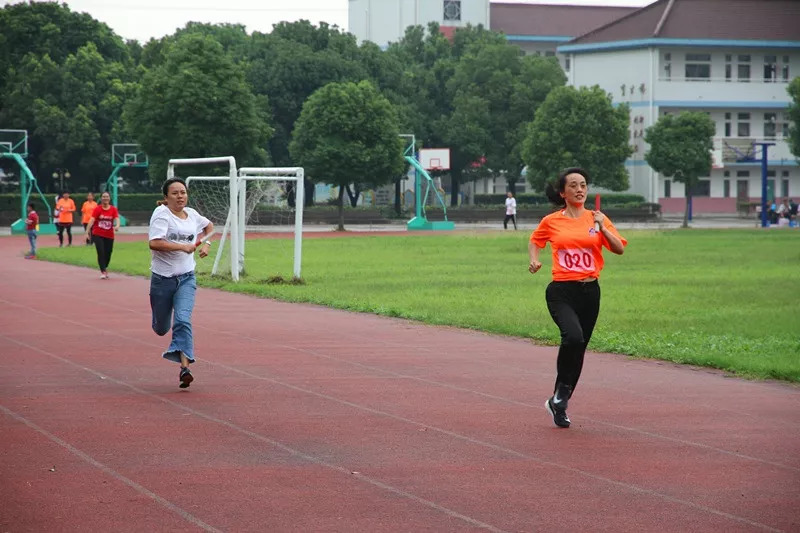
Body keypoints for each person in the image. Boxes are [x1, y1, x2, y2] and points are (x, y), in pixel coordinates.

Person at [528, 167, 627, 428]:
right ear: (563, 192)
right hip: (562, 290)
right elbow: (535, 240)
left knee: (579, 347)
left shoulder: (597, 218)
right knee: (572, 336)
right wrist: (534, 260)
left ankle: (560, 400)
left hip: (590, 291)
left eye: (583, 185)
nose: (580, 189)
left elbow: (618, 249)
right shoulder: (552, 221)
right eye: (573, 185)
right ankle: (561, 393)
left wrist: (601, 228)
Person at [148, 178, 214, 388]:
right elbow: (154, 243)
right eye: (175, 193)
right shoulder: (161, 215)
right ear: (166, 198)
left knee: (183, 320)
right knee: (161, 328)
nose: (180, 197)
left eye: (183, 192)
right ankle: (161, 325)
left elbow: (209, 226)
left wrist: (206, 244)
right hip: (162, 280)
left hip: (186, 278)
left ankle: (185, 368)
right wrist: (181, 247)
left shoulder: (193, 214)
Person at [85, 191, 120, 279]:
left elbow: (117, 218)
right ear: (101, 198)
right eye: (103, 197)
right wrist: (87, 232)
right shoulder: (97, 209)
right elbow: (92, 220)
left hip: (109, 235)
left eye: (107, 196)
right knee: (101, 252)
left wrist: (117, 225)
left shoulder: (113, 209)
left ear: (109, 198)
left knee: (108, 252)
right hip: (98, 234)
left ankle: (105, 266)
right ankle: (103, 271)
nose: (105, 198)